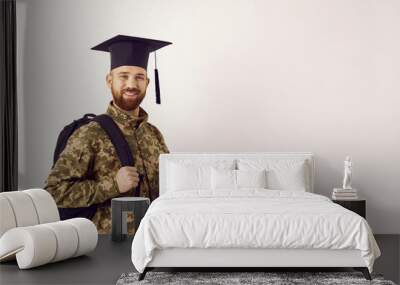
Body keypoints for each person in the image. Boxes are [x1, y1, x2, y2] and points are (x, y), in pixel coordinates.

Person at [44, 35, 172, 234]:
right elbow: (53, 193)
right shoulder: (90, 134)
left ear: (147, 82)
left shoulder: (154, 134)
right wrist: (112, 185)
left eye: (139, 77)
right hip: (107, 249)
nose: (131, 84)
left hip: (152, 241)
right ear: (109, 80)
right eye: (123, 76)